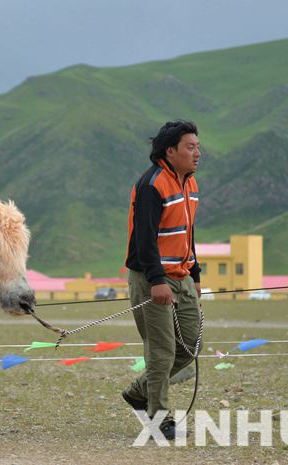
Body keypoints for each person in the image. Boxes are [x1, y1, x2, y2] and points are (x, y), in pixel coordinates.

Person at [122, 120, 202, 440]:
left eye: (198, 146)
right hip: (151, 277)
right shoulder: (151, 185)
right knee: (162, 350)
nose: (197, 153)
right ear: (170, 151)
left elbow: (187, 233)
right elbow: (144, 240)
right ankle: (159, 415)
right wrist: (156, 280)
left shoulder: (190, 185)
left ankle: (139, 391)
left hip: (181, 276)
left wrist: (195, 274)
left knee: (190, 344)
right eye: (190, 147)